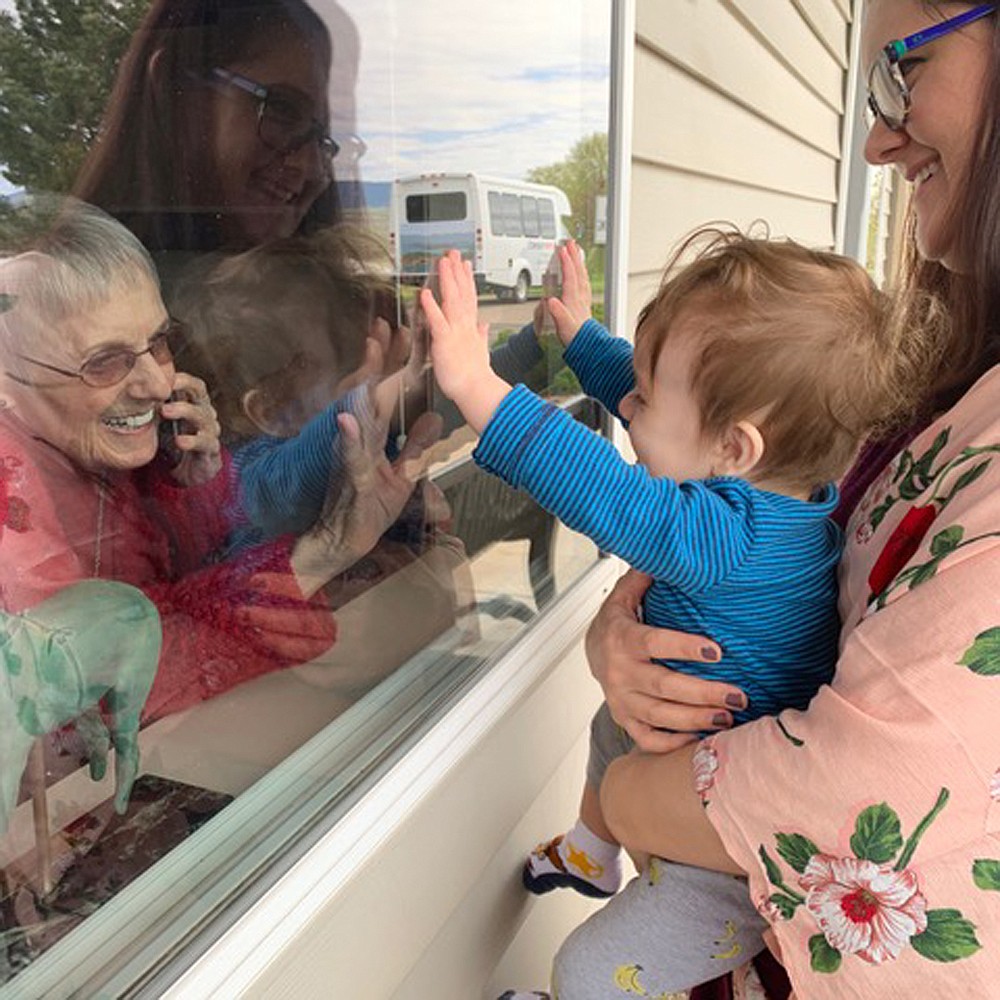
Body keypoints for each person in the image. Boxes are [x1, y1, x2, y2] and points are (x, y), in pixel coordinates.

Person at [567, 2, 1000, 997]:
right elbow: (791, 570)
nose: (879, 134)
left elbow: (856, 801)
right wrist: (626, 638)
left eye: (905, 70)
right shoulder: (945, 380)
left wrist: (624, 793)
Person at [421, 225, 940, 997]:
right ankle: (593, 855)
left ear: (735, 449)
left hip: (722, 866)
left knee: (587, 970)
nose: (626, 404)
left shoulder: (723, 536)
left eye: (642, 392)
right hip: (682, 770)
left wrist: (475, 386)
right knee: (607, 728)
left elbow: (601, 483)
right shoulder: (788, 505)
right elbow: (655, 396)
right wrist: (581, 337)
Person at [0, 197, 436, 726]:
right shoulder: (12, 501)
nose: (159, 383)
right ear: (8, 380)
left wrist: (193, 484)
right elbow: (106, 695)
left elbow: (199, 569)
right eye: (105, 363)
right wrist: (321, 553)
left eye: (159, 343)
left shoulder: (125, 455)